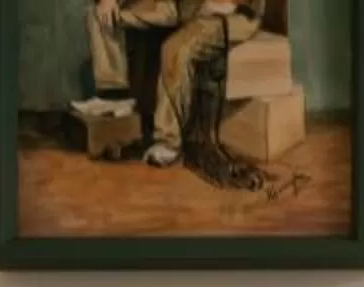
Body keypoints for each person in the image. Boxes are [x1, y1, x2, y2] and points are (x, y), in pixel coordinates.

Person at [88, 0, 258, 169]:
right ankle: (115, 94)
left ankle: (168, 142)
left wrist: (226, 3)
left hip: (231, 14)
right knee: (102, 13)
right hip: (180, 6)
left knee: (175, 49)